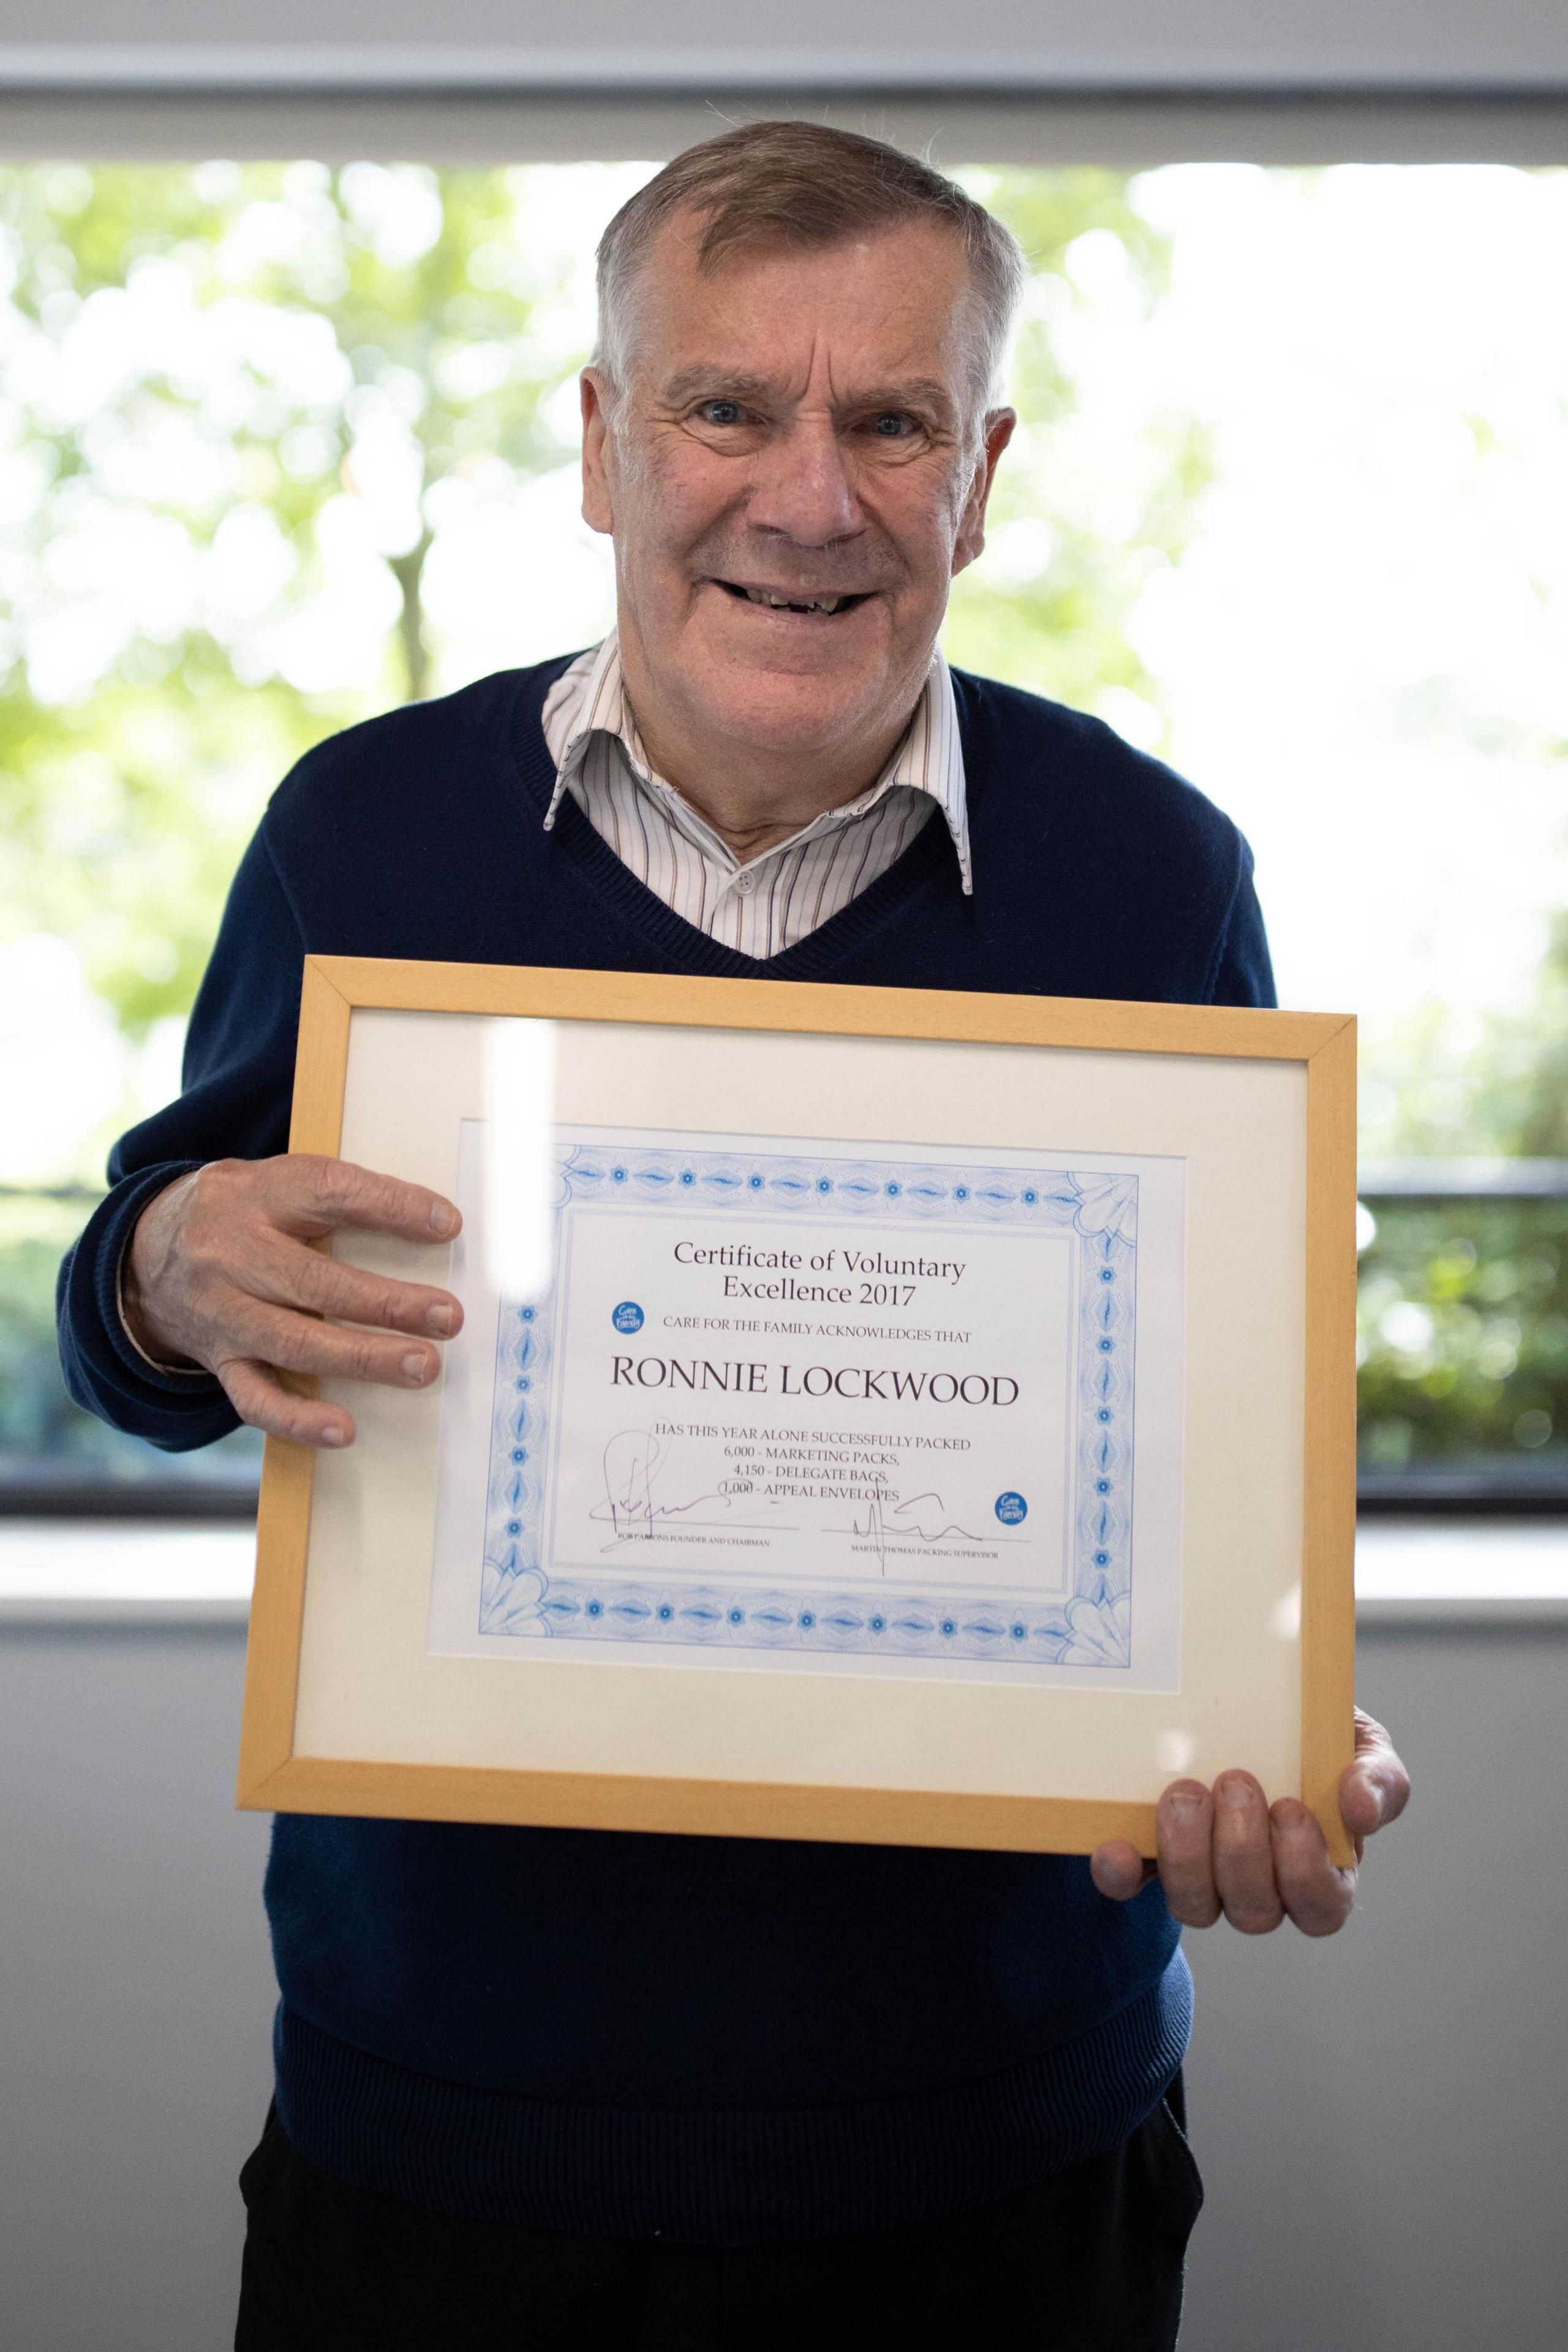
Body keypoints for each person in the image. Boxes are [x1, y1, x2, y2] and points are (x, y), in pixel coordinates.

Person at [57, 123, 1409, 2351]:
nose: (811, 497)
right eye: (724, 408)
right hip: (446, 2140)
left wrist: (1288, 1698)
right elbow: (138, 1334)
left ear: (981, 478)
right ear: (603, 444)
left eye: (892, 420)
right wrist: (160, 1271)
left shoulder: (1154, 871)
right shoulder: (362, 832)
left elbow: (1224, 1472)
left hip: (997, 2150)